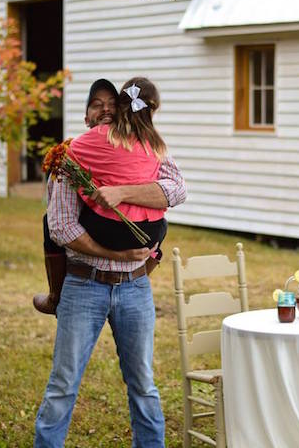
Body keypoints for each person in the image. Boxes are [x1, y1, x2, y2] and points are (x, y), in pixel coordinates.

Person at [34, 78, 186, 448]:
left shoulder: (146, 148)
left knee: (143, 384)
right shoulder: (73, 160)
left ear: (123, 113)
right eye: (95, 104)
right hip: (84, 284)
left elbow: (177, 188)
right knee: (63, 383)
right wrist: (116, 254)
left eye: (110, 103)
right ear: (86, 116)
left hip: (135, 287)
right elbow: (61, 227)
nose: (104, 109)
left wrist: (122, 192)